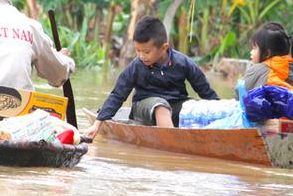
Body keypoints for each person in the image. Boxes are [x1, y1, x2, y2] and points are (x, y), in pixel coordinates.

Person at [84, 16, 219, 138]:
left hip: (175, 105)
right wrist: (97, 124)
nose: (141, 56)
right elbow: (117, 95)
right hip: (145, 108)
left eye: (147, 52)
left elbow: (206, 92)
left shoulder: (183, 63)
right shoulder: (136, 66)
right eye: (137, 50)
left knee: (197, 106)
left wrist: (221, 111)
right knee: (161, 106)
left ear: (164, 48)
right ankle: (171, 143)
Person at [239, 22, 293, 96]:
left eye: (254, 48)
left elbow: (238, 92)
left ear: (267, 53)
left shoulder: (258, 69)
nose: (251, 52)